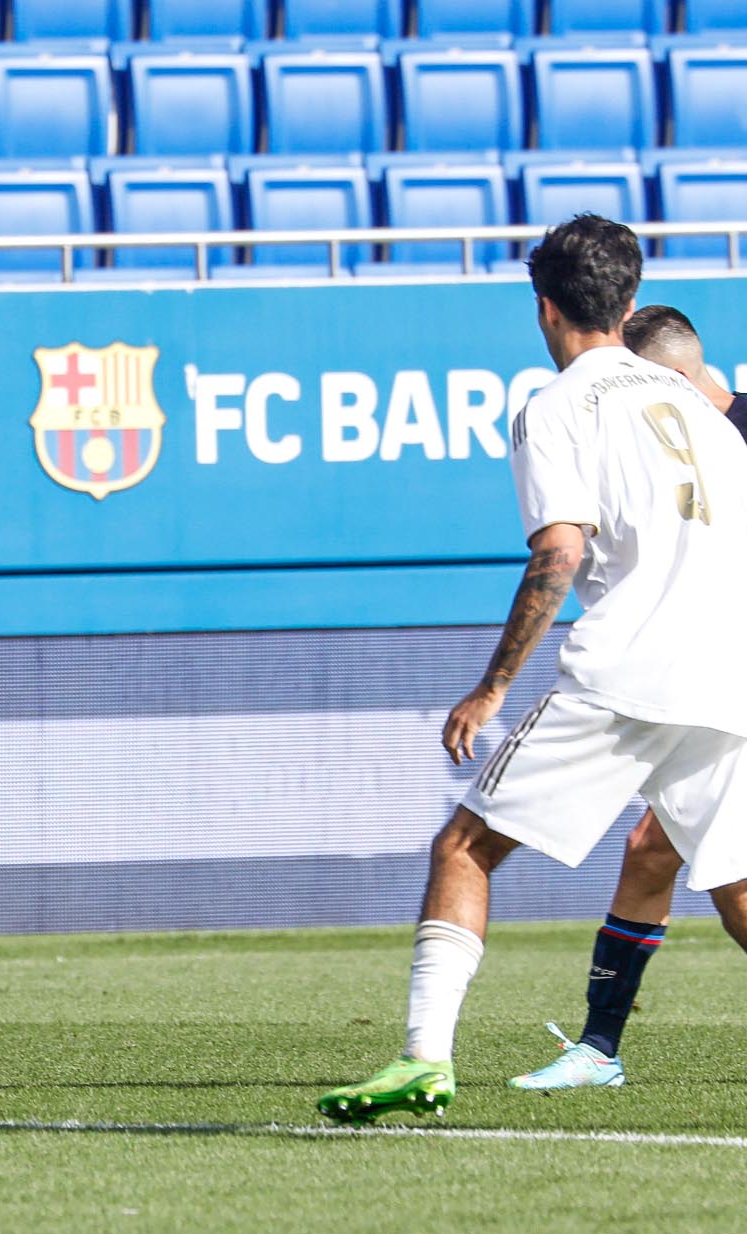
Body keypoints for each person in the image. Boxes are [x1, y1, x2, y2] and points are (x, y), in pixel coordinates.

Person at [317, 216, 747, 1124]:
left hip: (630, 671)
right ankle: (586, 1049)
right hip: (727, 673)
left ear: (544, 308)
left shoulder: (557, 406)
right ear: (628, 303)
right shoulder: (710, 420)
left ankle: (421, 1061)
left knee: (463, 849)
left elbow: (557, 551)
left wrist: (492, 686)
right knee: (738, 886)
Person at [510, 304, 747, 1091]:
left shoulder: (711, 441)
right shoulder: (707, 439)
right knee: (661, 855)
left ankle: (598, 1049)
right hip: (713, 676)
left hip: (723, 678)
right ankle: (598, 1049)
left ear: (668, 379)